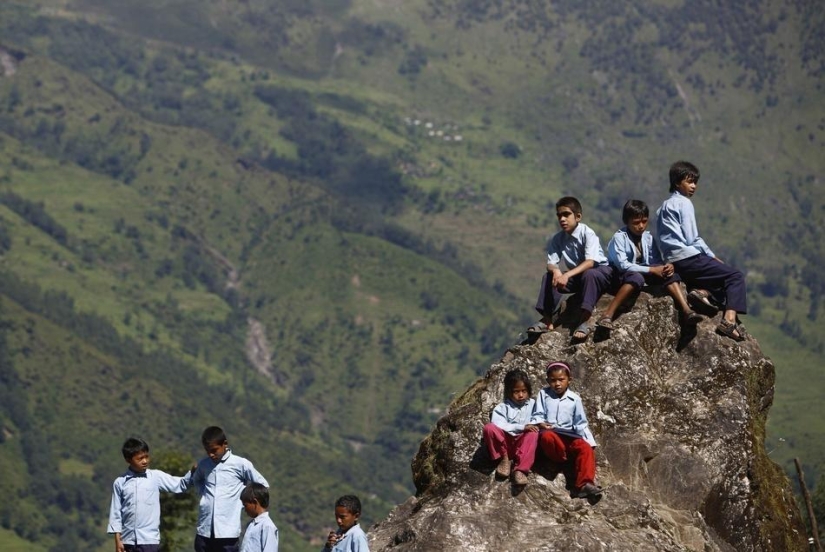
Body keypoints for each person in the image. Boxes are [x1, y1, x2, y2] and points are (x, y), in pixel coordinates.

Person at [656, 161, 748, 341]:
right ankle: (729, 322)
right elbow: (692, 239)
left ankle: (702, 291)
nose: (693, 186)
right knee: (734, 277)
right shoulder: (684, 204)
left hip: (674, 263)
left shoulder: (662, 208)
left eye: (695, 182)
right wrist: (712, 257)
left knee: (714, 278)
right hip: (689, 257)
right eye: (689, 182)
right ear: (677, 183)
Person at [597, 199, 703, 329]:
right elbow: (623, 265)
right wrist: (651, 270)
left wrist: (665, 267)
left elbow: (656, 262)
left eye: (644, 221)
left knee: (669, 274)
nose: (641, 226)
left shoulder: (648, 238)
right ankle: (608, 314)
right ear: (627, 222)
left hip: (642, 273)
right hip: (620, 276)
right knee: (636, 277)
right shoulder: (619, 238)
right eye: (636, 223)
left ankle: (686, 310)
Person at [528, 196, 613, 341]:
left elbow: (590, 262)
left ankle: (585, 320)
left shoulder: (588, 234)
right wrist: (555, 271)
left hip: (600, 272)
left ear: (578, 216)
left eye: (566, 214)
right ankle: (547, 320)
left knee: (590, 274)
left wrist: (566, 276)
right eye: (559, 215)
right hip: (579, 275)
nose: (562, 219)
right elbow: (551, 263)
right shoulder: (558, 238)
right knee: (548, 277)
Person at [530, 362, 602, 502]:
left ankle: (584, 484)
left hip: (569, 436)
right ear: (548, 381)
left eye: (561, 380)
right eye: (553, 380)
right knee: (546, 436)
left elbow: (581, 423)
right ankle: (562, 461)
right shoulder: (543, 395)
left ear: (569, 380)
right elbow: (537, 414)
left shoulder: (575, 399)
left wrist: (589, 443)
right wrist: (540, 423)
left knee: (585, 448)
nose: (557, 384)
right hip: (551, 434)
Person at [190, 426, 269, 552]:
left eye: (214, 450)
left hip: (228, 533)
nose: (211, 454)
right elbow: (197, 479)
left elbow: (262, 484)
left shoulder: (240, 464)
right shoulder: (204, 465)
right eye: (207, 451)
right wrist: (203, 494)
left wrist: (245, 502)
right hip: (204, 531)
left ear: (224, 444)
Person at [107, 437, 192, 552]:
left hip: (149, 541)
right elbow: (116, 514)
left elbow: (180, 484)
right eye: (140, 458)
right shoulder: (120, 482)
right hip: (128, 541)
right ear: (128, 460)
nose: (145, 461)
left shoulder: (155, 477)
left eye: (146, 456)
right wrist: (118, 541)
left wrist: (194, 473)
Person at [482, 369, 538, 486]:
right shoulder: (502, 407)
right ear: (509, 392)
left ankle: (520, 470)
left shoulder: (534, 405)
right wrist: (522, 427)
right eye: (516, 392)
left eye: (524, 391)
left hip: (522, 444)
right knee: (489, 428)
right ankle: (504, 459)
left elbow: (541, 418)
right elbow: (498, 424)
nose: (521, 395)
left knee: (533, 433)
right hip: (505, 445)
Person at [239, 483, 279, 552]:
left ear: (255, 502)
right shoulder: (251, 524)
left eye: (245, 505)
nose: (244, 509)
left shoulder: (267, 526)